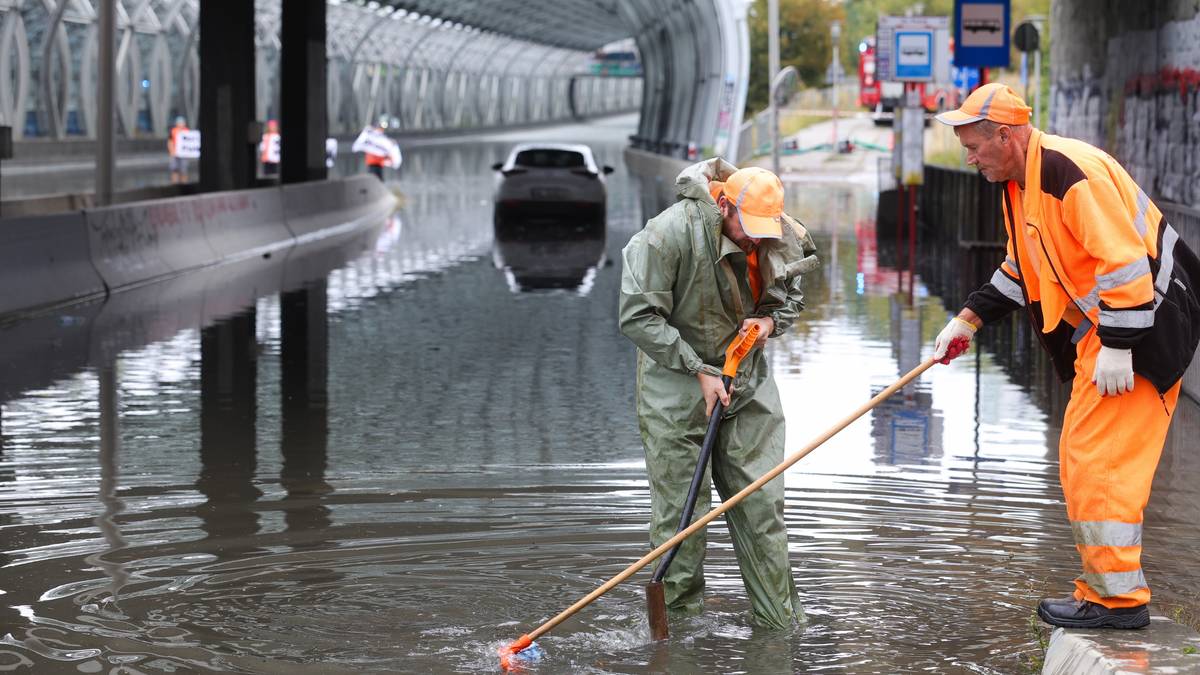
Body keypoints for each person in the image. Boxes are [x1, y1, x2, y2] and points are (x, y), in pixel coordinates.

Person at [931, 83, 1200, 629]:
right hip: (1111, 333)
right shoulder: (1021, 182)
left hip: (1142, 331)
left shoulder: (1065, 172)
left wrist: (1121, 346)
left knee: (1102, 467)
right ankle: (1104, 592)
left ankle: (1119, 603)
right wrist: (970, 317)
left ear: (1005, 136)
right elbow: (1024, 268)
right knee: (1083, 461)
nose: (970, 157)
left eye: (975, 146)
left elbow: (1124, 264)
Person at [619, 159, 819, 628]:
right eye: (748, 229)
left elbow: (790, 296)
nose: (756, 240)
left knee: (762, 508)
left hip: (747, 384)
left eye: (764, 233)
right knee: (681, 525)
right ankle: (679, 638)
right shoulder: (666, 235)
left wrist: (769, 322)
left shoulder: (775, 234)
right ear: (723, 203)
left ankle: (780, 630)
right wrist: (697, 369)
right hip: (676, 388)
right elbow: (636, 316)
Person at [352, 116, 401, 181]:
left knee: (378, 179)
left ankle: (378, 188)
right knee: (374, 178)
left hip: (378, 164)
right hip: (373, 163)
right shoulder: (371, 136)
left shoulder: (381, 139)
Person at [167, 116, 190, 184]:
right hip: (175, 153)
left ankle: (184, 185)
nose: (181, 124)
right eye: (179, 123)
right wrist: (171, 151)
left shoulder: (187, 131)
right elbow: (170, 141)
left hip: (183, 154)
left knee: (184, 171)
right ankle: (175, 184)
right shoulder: (173, 131)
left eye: (182, 123)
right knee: (174, 170)